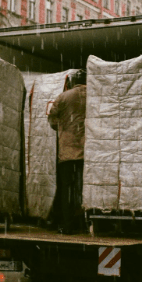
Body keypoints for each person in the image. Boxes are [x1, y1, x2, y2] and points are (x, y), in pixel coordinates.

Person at [48, 70, 87, 234]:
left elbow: (52, 119)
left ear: (71, 82)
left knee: (66, 189)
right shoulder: (94, 95)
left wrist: (63, 126)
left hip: (67, 151)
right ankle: (86, 222)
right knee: (84, 189)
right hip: (88, 151)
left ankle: (68, 224)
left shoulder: (63, 97)